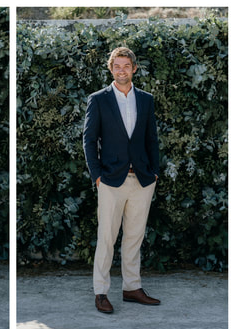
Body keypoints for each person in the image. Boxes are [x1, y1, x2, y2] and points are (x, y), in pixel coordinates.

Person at [83, 46, 162, 314]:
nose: (121, 70)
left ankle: (131, 288)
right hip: (110, 180)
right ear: (110, 68)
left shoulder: (146, 99)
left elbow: (152, 138)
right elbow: (89, 140)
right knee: (106, 236)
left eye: (126, 66)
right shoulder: (98, 99)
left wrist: (155, 172)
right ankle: (101, 292)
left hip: (142, 179)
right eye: (117, 66)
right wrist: (97, 176)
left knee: (134, 237)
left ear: (134, 68)